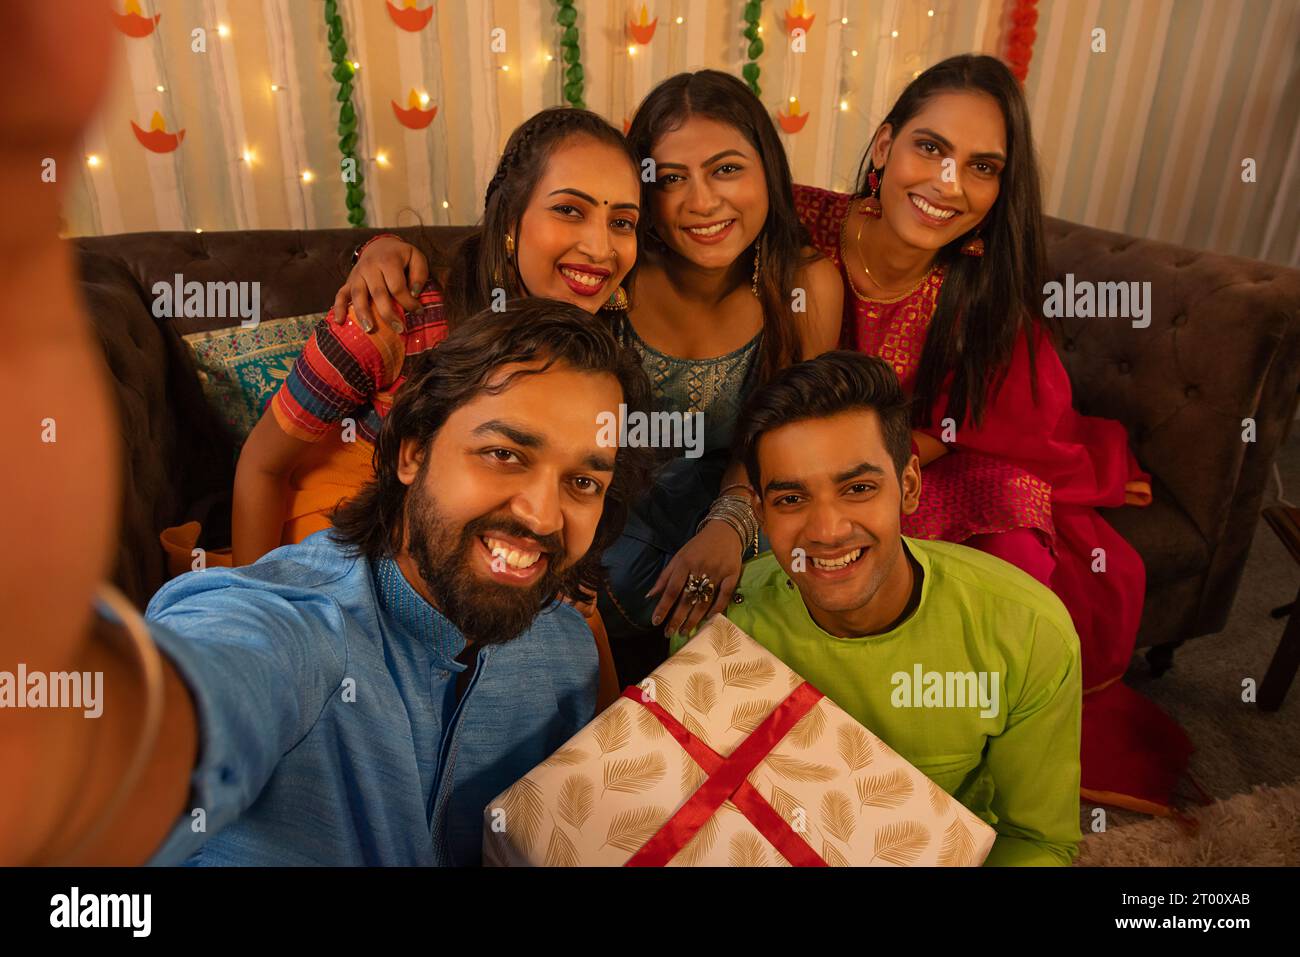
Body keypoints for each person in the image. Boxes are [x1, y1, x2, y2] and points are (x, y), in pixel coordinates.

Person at [9, 301, 655, 865]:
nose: (542, 515)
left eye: (583, 482)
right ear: (411, 451)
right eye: (504, 453)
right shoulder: (303, 624)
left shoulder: (564, 655)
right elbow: (209, 675)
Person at [347, 73, 844, 686]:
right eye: (669, 179)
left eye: (727, 169)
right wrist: (383, 249)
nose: (702, 203)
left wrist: (731, 522)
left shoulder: (803, 286)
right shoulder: (615, 267)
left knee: (764, 648)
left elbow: (787, 435)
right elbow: (510, 250)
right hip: (613, 506)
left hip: (741, 501)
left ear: (769, 171)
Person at [792, 54, 1189, 816]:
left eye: (981, 167)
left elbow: (954, 423)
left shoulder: (976, 283)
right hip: (816, 445)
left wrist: (883, 468)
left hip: (932, 446)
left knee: (1012, 554)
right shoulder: (806, 228)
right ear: (883, 147)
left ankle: (961, 742)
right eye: (930, 148)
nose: (948, 183)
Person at [672, 351, 1082, 866]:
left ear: (908, 486)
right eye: (792, 499)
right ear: (760, 510)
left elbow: (1038, 840)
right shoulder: (717, 625)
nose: (827, 531)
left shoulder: (1028, 631)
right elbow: (697, 810)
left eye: (858, 489)